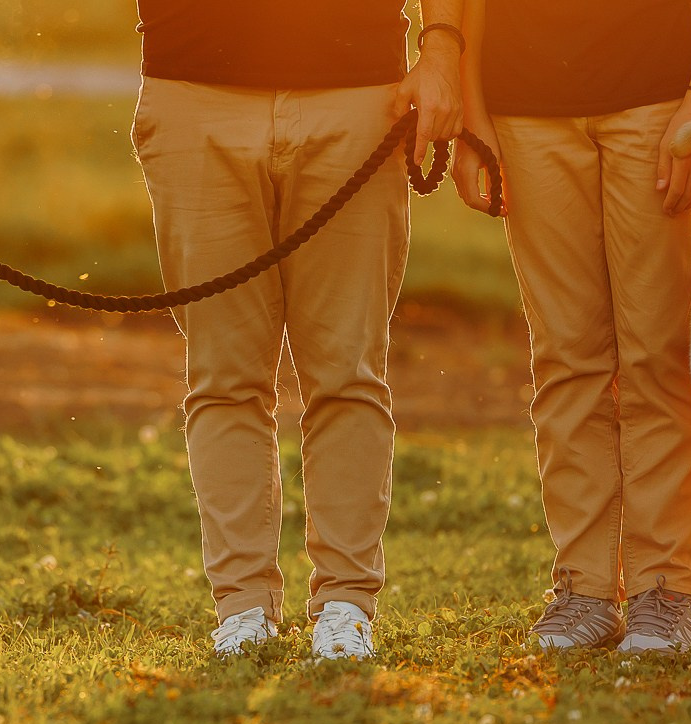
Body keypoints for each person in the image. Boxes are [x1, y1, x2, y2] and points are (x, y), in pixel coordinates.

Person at [133, 0, 464, 660]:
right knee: (223, 376)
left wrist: (442, 52)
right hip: (193, 91)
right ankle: (242, 607)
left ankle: (346, 604)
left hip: (358, 94)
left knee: (348, 370)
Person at [451, 1, 691, 652]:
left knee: (658, 352)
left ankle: (665, 585)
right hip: (525, 105)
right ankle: (584, 587)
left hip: (659, 99)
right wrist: (472, 111)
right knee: (566, 354)